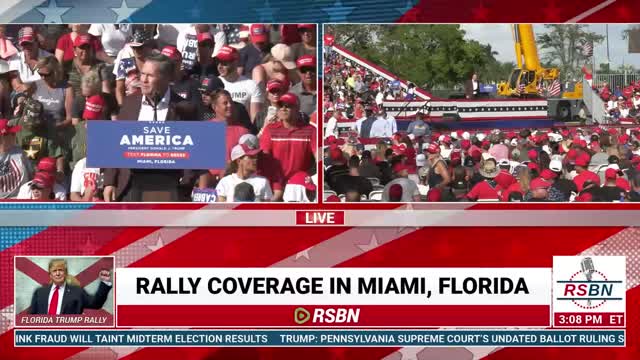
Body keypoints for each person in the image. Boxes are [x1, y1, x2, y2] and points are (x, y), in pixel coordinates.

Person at [103, 53, 200, 202]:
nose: (144, 80)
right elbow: (115, 146)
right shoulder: (129, 103)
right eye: (142, 74)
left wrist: (185, 185)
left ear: (166, 78)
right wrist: (110, 182)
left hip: (167, 188)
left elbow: (195, 154)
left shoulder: (184, 108)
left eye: (150, 76)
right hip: (130, 187)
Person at [260, 93, 316, 181]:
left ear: (297, 108)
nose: (283, 109)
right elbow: (264, 159)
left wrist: (312, 178)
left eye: (288, 106)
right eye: (281, 106)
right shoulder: (270, 129)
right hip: (277, 182)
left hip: (300, 183)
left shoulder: (311, 130)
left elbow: (318, 157)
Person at [29, 259, 112, 315]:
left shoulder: (77, 292)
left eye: (61, 270)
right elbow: (31, 317)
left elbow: (96, 303)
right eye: (54, 271)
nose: (58, 273)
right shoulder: (39, 292)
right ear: (50, 275)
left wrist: (105, 282)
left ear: (65, 273)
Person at [216, 45, 263, 122]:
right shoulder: (214, 84)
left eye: (224, 63)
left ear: (235, 62)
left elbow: (255, 120)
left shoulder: (251, 85)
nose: (220, 66)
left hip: (242, 131)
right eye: (218, 62)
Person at [113, 29, 154, 105]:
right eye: (133, 47)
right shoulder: (124, 63)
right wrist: (122, 107)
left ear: (148, 47)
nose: (136, 50)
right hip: (129, 104)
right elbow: (119, 88)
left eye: (139, 47)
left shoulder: (155, 64)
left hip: (151, 103)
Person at [0, 118, 33, 199]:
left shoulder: (22, 151)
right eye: (12, 133)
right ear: (2, 136)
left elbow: (32, 174)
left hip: (21, 199)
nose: (15, 135)